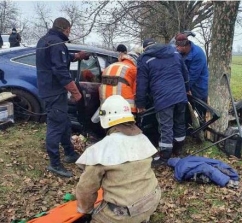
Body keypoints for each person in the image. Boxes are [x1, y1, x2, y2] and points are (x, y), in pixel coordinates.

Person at [76, 95, 161, 223]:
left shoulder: (100, 150)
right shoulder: (143, 139)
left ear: (106, 120)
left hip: (121, 214)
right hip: (151, 201)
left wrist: (86, 211)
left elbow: (86, 189)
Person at [36, 17, 90, 177]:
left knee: (64, 122)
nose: (69, 33)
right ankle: (54, 164)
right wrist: (76, 92)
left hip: (48, 89)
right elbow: (60, 70)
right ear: (65, 29)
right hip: (54, 91)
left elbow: (59, 59)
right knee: (55, 126)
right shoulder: (56, 44)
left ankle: (69, 153)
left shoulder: (45, 41)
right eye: (69, 30)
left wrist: (77, 56)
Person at [136, 38, 190, 164]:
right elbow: (185, 73)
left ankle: (165, 157)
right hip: (180, 95)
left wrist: (140, 104)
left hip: (163, 98)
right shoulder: (174, 53)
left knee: (166, 126)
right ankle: (178, 149)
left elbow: (142, 84)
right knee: (179, 123)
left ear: (145, 49)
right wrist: (187, 89)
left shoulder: (144, 59)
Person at [175, 33, 208, 117]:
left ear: (185, 46)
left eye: (178, 47)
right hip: (187, 86)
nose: (176, 48)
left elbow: (193, 76)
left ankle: (202, 126)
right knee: (188, 113)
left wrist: (185, 88)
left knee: (199, 111)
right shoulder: (181, 53)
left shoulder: (198, 54)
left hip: (198, 87)